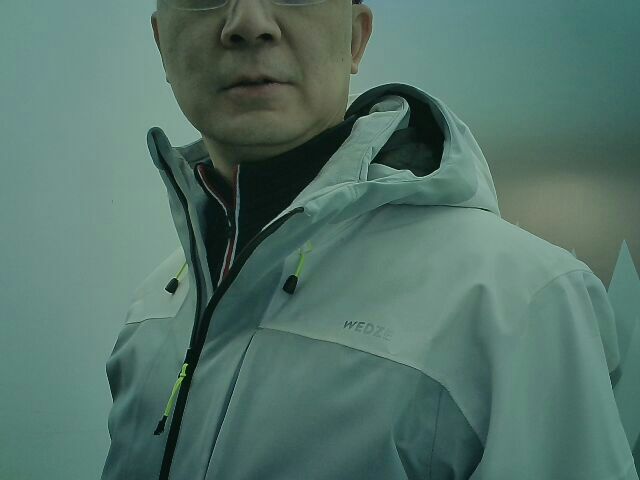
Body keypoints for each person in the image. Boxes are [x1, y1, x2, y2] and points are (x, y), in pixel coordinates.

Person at [101, 0, 638, 478]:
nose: (248, 22)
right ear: (160, 42)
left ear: (356, 38)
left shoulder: (519, 300)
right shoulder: (156, 306)